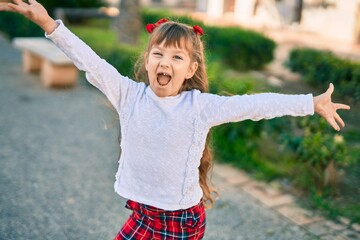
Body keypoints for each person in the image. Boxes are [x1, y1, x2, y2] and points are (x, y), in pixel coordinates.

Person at [0, 1, 351, 239]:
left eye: (176, 56)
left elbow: (254, 104)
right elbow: (89, 61)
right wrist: (48, 23)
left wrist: (309, 102)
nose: (164, 61)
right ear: (148, 59)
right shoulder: (128, 94)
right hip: (141, 213)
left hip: (179, 221)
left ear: (190, 69)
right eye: (158, 53)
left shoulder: (199, 107)